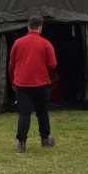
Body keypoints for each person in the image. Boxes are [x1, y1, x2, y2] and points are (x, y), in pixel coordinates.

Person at [8, 15, 58, 153]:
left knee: (24, 113)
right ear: (40, 28)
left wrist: (13, 80)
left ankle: (22, 144)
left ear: (28, 26)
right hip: (41, 84)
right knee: (42, 111)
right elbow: (53, 64)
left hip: (22, 84)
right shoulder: (46, 43)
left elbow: (11, 65)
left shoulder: (17, 43)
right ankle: (45, 140)